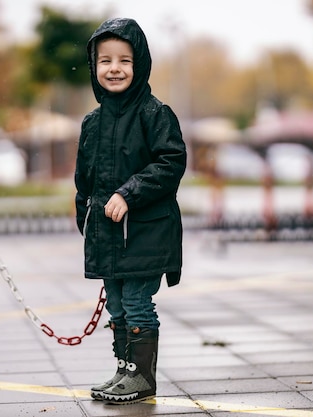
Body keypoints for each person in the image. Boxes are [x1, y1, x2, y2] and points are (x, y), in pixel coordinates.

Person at [74, 17, 187, 404]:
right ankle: (125, 370)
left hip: (146, 232)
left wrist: (128, 193)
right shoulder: (92, 122)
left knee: (138, 303)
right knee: (118, 305)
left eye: (125, 60)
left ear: (139, 65)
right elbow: (84, 179)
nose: (115, 68)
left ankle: (141, 377)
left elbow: (170, 162)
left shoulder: (154, 114)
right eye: (105, 61)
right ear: (95, 67)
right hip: (108, 234)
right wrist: (84, 217)